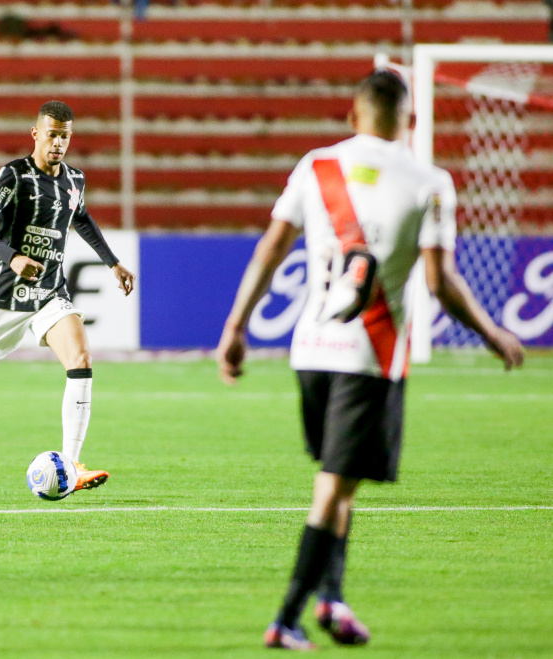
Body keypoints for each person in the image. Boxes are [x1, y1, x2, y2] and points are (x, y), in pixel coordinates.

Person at [215, 70, 524, 650]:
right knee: (332, 488)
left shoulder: (315, 166)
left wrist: (236, 326)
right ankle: (286, 618)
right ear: (411, 122)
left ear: (353, 116)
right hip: (370, 355)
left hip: (309, 351)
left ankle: (332, 600)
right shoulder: (429, 181)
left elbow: (271, 248)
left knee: (341, 483)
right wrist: (490, 332)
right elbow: (439, 281)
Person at [0, 100, 135, 493]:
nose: (57, 143)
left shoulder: (74, 180)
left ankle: (71, 466)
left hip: (49, 292)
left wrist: (112, 262)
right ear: (36, 134)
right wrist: (13, 257)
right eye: (51, 134)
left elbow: (80, 217)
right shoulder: (14, 176)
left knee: (81, 359)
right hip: (4, 294)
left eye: (64, 137)